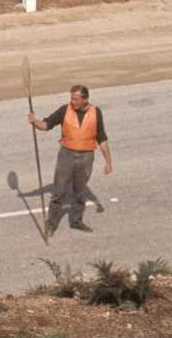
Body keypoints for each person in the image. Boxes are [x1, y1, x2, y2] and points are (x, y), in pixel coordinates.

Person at [27, 84, 113, 234]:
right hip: (66, 155)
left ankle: (76, 221)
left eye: (75, 99)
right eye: (71, 98)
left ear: (85, 99)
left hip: (86, 157)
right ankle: (52, 224)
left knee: (80, 192)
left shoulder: (96, 112)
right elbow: (47, 124)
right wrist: (35, 122)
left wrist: (108, 162)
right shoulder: (65, 110)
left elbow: (102, 138)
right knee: (59, 192)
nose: (72, 102)